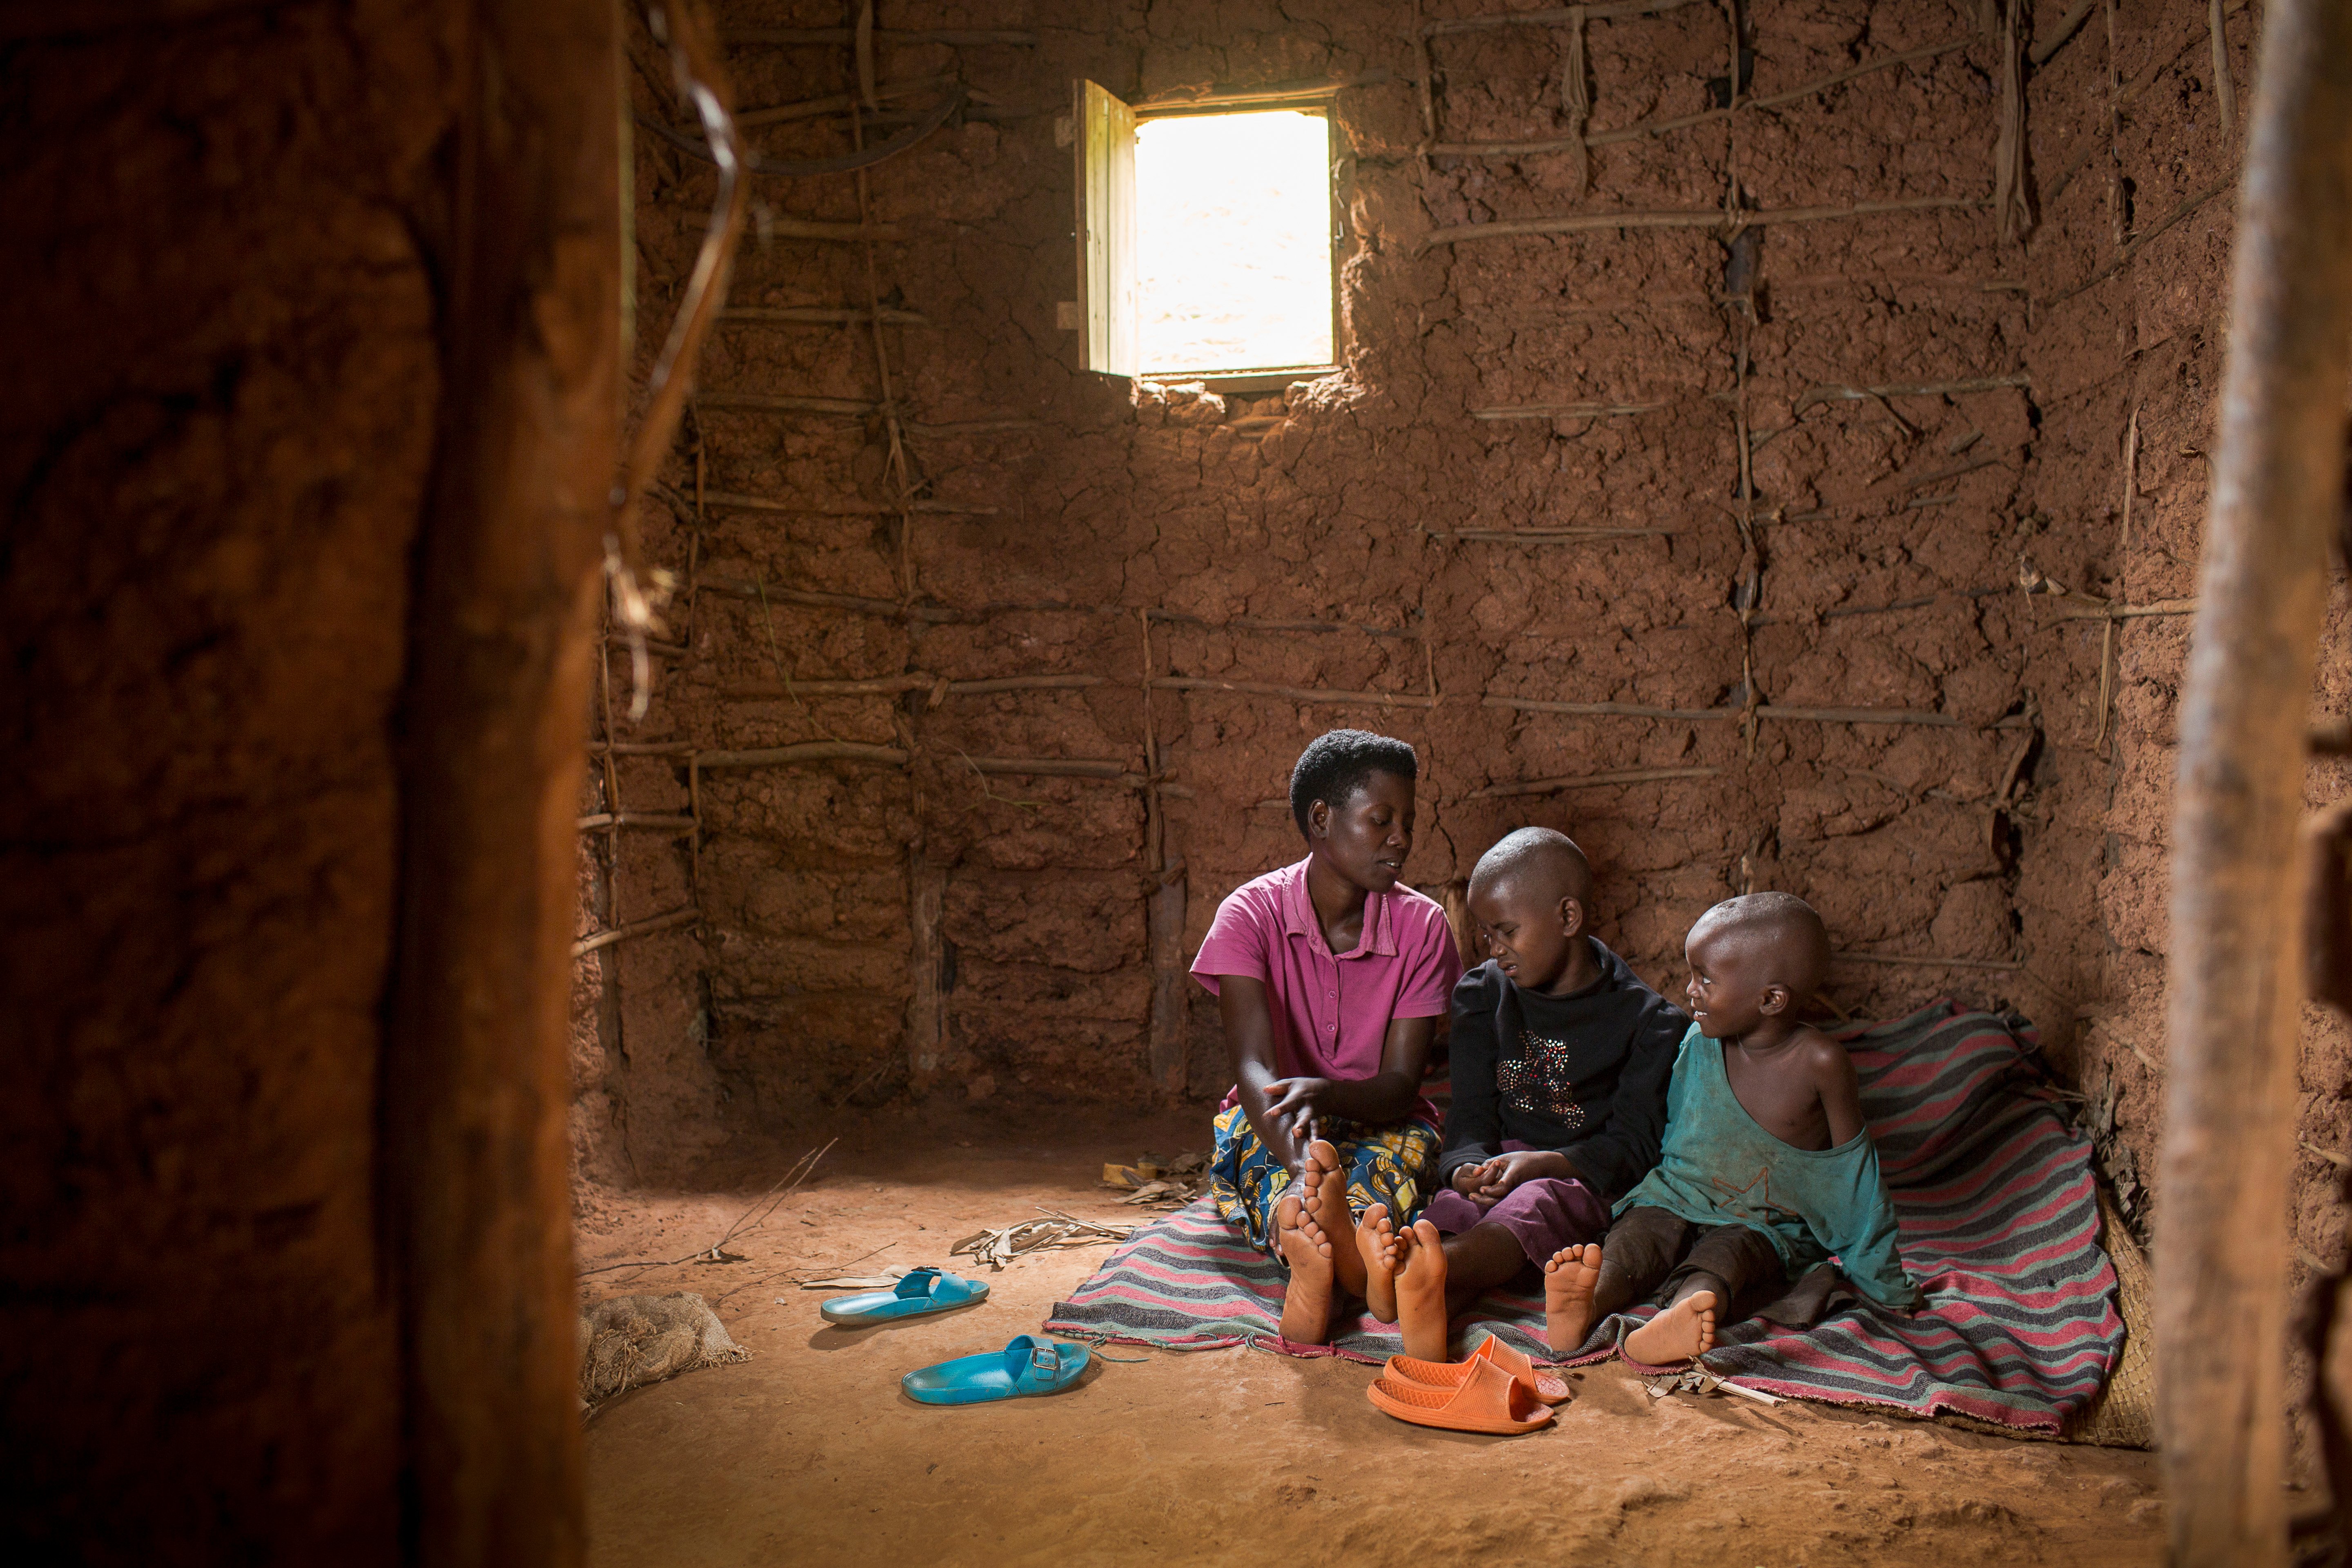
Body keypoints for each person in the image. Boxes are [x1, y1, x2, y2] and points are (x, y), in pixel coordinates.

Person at [1546, 891, 1923, 1365]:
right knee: (1639, 1234)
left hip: (1763, 1219)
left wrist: (1885, 1284)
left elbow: (1853, 1179)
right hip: (1678, 1194)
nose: (1689, 990)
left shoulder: (1820, 1063)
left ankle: (1683, 1317)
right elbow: (1680, 1138)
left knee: (1729, 1257)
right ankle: (1587, 1305)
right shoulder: (1698, 1043)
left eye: (1705, 979)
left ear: (1771, 999)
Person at [1357, 827, 1684, 1360]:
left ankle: (1412, 1270)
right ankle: (1420, 1284)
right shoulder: (1483, 996)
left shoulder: (1649, 1024)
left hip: (1577, 1176)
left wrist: (1543, 1163)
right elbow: (1470, 1116)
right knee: (1454, 1205)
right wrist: (1465, 1166)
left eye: (1507, 931)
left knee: (1532, 1203)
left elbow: (1634, 1147)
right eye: (1486, 935)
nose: (1495, 949)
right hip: (1497, 1167)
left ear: (1568, 918)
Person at [1190, 729, 1463, 1345]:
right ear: (1321, 819)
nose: (1402, 837)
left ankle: (1321, 1268)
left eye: (1409, 821)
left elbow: (1398, 1087)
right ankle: (1351, 1269)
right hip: (1275, 1117)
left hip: (1379, 1115)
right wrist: (1304, 1165)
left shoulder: (1422, 927)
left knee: (1390, 1167)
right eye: (1382, 819)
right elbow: (1254, 1065)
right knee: (1271, 1177)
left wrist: (1332, 1097)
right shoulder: (1249, 914)